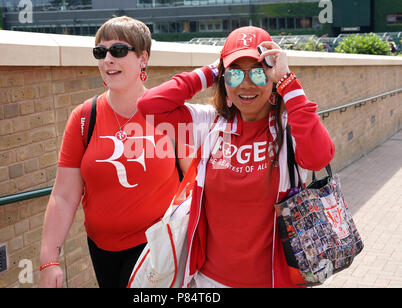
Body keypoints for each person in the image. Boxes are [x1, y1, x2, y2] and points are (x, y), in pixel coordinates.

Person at [136, 26, 335, 288]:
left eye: (257, 72)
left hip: (275, 281)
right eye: (235, 73)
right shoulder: (209, 124)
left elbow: (319, 157)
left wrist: (288, 81)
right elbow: (150, 105)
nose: (246, 84)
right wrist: (210, 72)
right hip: (210, 281)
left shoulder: (290, 128)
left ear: (272, 76)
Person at [38, 16, 181, 288]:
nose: (107, 60)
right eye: (100, 52)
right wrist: (49, 260)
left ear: (143, 59)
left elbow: (195, 184)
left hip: (156, 248)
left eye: (118, 51)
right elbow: (64, 195)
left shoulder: (169, 114)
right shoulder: (83, 117)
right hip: (101, 250)